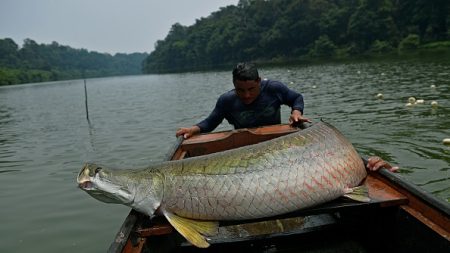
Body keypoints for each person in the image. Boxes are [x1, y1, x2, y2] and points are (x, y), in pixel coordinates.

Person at [176, 62, 398, 172]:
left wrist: (296, 113)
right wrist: (193, 130)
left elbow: (296, 98)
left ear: (259, 82)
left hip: (278, 142)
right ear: (234, 86)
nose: (246, 95)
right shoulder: (226, 100)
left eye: (251, 90)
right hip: (243, 149)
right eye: (240, 90)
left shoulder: (273, 88)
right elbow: (211, 122)